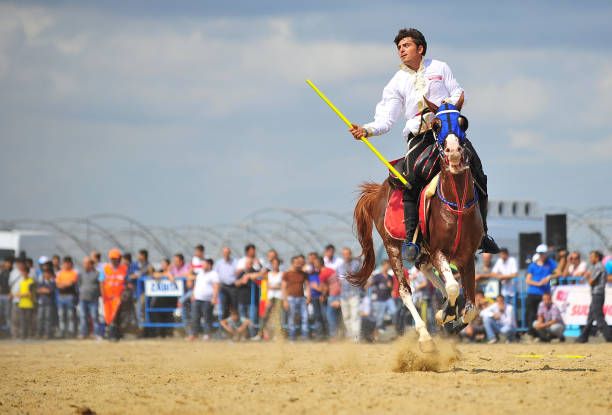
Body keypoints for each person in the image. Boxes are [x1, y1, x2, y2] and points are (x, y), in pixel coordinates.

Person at [348, 27, 499, 261]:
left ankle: (484, 234)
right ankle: (413, 240)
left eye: (406, 45)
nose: (401, 51)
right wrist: (366, 130)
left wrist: (443, 109)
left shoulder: (440, 67)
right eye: (398, 47)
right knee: (410, 179)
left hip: (447, 131)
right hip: (419, 136)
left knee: (477, 170)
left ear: (420, 48)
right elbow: (386, 120)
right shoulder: (396, 82)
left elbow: (460, 93)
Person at [576, 251, 612, 343]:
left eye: (592, 257)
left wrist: (587, 277)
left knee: (599, 317)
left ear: (597, 258)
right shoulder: (595, 267)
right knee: (591, 317)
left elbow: (591, 281)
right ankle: (583, 337)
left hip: (597, 294)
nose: (590, 259)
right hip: (597, 294)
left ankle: (609, 337)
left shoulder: (599, 266)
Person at [525, 244, 557, 338]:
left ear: (546, 253)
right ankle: (531, 334)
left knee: (542, 315)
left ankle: (542, 334)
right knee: (531, 314)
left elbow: (559, 272)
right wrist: (538, 284)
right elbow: (528, 280)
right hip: (532, 293)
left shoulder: (551, 263)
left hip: (544, 295)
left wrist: (550, 276)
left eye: (543, 253)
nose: (541, 255)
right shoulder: (532, 265)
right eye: (540, 253)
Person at [98, 249, 128, 341]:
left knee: (115, 315)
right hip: (107, 296)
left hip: (118, 296)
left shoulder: (124, 269)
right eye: (112, 258)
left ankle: (113, 334)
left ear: (119, 258)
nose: (114, 260)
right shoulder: (105, 268)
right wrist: (103, 295)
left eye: (115, 258)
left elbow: (125, 282)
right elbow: (101, 282)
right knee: (108, 316)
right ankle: (111, 333)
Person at [188, 258, 219, 341]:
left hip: (208, 300)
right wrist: (193, 294)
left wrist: (214, 298)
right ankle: (194, 334)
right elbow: (196, 285)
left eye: (204, 264)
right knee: (195, 317)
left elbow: (216, 287)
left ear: (209, 265)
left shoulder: (214, 274)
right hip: (197, 298)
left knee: (207, 317)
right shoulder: (200, 273)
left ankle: (207, 334)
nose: (202, 266)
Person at [365, 260, 397, 338]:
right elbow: (371, 282)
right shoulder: (378, 276)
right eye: (386, 265)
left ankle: (395, 328)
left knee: (394, 311)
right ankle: (375, 334)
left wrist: (391, 288)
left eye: (388, 266)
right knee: (380, 317)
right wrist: (366, 287)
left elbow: (392, 288)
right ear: (383, 266)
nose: (388, 267)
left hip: (388, 298)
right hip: (380, 300)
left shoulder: (390, 277)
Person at [282, 256, 311, 341]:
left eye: (299, 263)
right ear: (292, 263)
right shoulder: (287, 274)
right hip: (291, 299)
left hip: (302, 298)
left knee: (305, 317)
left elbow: (307, 286)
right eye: (296, 263)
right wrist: (285, 300)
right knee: (292, 318)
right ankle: (292, 338)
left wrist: (309, 297)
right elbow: (283, 287)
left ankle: (305, 337)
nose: (298, 264)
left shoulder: (303, 274)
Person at [337, 248, 362, 342]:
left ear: (350, 254)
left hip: (354, 293)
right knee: (346, 317)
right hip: (344, 294)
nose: (346, 256)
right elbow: (340, 279)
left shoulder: (356, 264)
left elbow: (354, 273)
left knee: (355, 315)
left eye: (347, 254)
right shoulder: (341, 266)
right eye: (344, 254)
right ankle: (351, 336)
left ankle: (356, 338)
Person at [257, 257, 283, 339]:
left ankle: (277, 334)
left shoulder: (281, 274)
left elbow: (282, 286)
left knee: (277, 316)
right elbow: (268, 287)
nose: (275, 265)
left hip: (279, 296)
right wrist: (267, 299)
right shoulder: (269, 274)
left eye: (276, 263)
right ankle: (260, 333)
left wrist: (275, 287)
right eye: (273, 264)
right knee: (265, 315)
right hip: (270, 296)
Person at [55, 256, 79, 338]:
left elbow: (71, 283)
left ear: (71, 264)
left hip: (70, 296)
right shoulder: (60, 273)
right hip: (61, 296)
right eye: (65, 263)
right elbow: (57, 284)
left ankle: (71, 331)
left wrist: (63, 284)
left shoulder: (74, 273)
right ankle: (62, 331)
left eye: (68, 263)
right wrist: (65, 284)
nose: (66, 265)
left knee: (70, 315)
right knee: (61, 315)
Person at [78, 257, 100, 339]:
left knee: (94, 317)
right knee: (83, 317)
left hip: (93, 299)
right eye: (84, 263)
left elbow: (100, 285)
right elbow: (79, 284)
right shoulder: (81, 273)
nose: (84, 265)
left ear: (91, 264)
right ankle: (83, 334)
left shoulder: (97, 273)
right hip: (83, 298)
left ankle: (96, 333)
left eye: (86, 263)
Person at [213, 246, 238, 320]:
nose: (226, 254)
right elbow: (215, 274)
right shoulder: (219, 263)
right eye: (224, 252)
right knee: (224, 307)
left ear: (230, 253)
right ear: (222, 253)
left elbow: (239, 272)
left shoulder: (235, 262)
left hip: (233, 287)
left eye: (227, 252)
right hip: (223, 287)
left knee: (234, 307)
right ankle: (225, 326)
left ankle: (235, 325)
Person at [319, 261, 341, 340]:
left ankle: (333, 337)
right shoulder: (331, 270)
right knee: (339, 317)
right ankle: (341, 335)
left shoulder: (322, 274)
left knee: (330, 316)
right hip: (339, 294)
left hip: (333, 296)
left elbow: (324, 288)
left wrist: (315, 287)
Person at [308, 256, 326, 339]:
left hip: (323, 296)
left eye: (315, 262)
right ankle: (320, 335)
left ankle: (328, 334)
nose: (314, 264)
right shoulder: (311, 273)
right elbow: (310, 284)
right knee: (317, 316)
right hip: (315, 297)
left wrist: (317, 288)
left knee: (324, 315)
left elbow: (324, 286)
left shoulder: (324, 272)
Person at [9, 257, 26, 339]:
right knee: (15, 318)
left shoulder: (29, 272)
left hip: (26, 299)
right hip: (15, 298)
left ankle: (23, 334)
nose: (19, 265)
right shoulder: (13, 273)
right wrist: (11, 294)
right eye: (17, 263)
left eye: (20, 263)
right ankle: (14, 334)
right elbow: (10, 284)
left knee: (24, 318)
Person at [36, 268, 56, 339]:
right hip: (41, 302)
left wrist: (43, 290)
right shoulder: (41, 282)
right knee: (40, 318)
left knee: (48, 318)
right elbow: (38, 290)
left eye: (47, 273)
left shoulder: (52, 282)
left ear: (50, 274)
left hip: (49, 303)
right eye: (44, 273)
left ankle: (47, 333)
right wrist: (44, 290)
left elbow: (49, 291)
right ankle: (39, 333)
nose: (45, 275)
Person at [16, 269, 36, 339]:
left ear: (27, 272)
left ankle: (30, 334)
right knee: (22, 320)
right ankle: (23, 335)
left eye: (25, 272)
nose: (23, 273)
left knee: (29, 320)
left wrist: (21, 295)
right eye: (22, 272)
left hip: (29, 304)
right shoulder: (22, 281)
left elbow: (30, 293)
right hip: (22, 303)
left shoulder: (31, 281)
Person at [0, 256, 13, 336]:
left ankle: (9, 331)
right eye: (7, 262)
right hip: (1, 295)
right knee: (1, 314)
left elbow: (12, 286)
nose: (8, 264)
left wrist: (11, 294)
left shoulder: (12, 273)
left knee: (8, 314)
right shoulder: (2, 272)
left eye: (9, 263)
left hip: (8, 296)